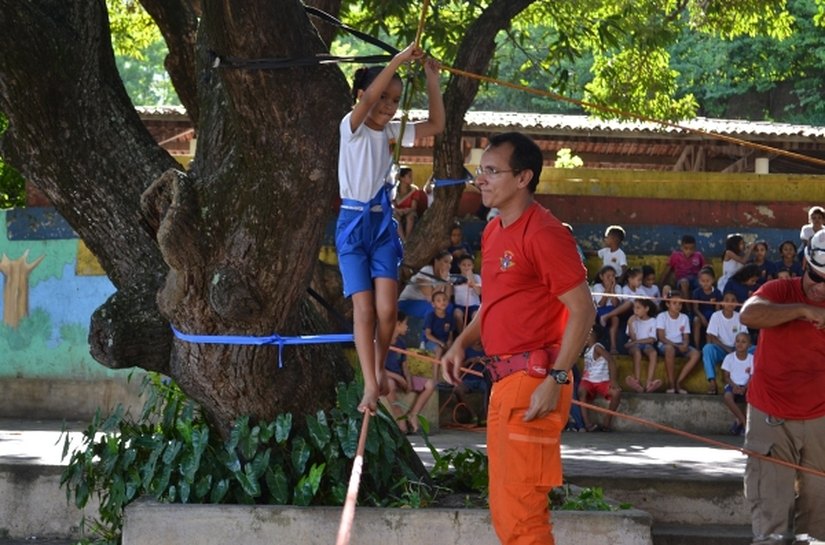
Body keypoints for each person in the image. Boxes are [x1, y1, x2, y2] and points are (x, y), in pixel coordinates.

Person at [441, 132, 595, 545]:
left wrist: (557, 379)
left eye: (492, 171)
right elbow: (498, 305)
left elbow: (583, 309)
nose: (481, 179)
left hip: (535, 382)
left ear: (524, 177)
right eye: (480, 169)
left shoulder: (544, 232)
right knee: (508, 511)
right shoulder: (494, 232)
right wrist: (462, 342)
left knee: (523, 516)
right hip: (504, 382)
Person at [336, 44, 444, 413]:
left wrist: (431, 78)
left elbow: (436, 126)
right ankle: (370, 384)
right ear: (362, 96)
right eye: (383, 97)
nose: (389, 106)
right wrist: (398, 60)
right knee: (363, 311)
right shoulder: (350, 127)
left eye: (395, 100)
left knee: (386, 312)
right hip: (352, 224)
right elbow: (366, 104)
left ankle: (379, 371)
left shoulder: (391, 133)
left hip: (382, 225)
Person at [739, 228, 825, 545]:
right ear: (805, 266)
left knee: (818, 522)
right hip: (770, 413)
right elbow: (750, 313)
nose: (821, 287)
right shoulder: (780, 289)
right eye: (817, 277)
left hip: (820, 417)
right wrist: (802, 310)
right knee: (771, 521)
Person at [383, 311, 436, 435]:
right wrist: (399, 379)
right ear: (397, 324)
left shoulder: (401, 343)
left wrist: (408, 380)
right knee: (390, 384)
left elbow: (404, 365)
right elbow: (379, 369)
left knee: (430, 384)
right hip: (387, 377)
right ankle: (400, 420)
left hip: (400, 376)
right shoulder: (382, 342)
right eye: (405, 324)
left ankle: (413, 414)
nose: (407, 327)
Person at [701, 292, 749, 395]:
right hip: (721, 349)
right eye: (727, 300)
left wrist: (737, 349)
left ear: (737, 304)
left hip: (737, 350)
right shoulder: (716, 316)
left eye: (733, 301)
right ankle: (712, 381)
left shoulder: (740, 316)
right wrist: (727, 349)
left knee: (755, 349)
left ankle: (748, 384)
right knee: (707, 348)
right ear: (722, 303)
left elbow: (745, 336)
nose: (730, 303)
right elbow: (712, 337)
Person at [579, 326, 622, 432]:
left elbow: (611, 360)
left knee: (616, 393)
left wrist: (613, 380)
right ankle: (588, 424)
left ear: (594, 336)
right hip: (588, 381)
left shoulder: (597, 347)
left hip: (601, 381)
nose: (587, 336)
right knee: (581, 391)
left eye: (589, 334)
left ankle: (607, 422)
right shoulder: (586, 350)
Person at [656, 294, 701, 394]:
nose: (678, 306)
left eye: (680, 303)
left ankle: (679, 382)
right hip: (665, 344)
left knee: (696, 354)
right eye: (674, 303)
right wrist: (677, 346)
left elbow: (686, 337)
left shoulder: (684, 317)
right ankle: (671, 384)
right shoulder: (662, 316)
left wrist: (685, 344)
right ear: (667, 304)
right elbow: (662, 338)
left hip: (679, 344)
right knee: (669, 349)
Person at [398, 249, 454, 317]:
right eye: (446, 262)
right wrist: (442, 281)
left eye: (450, 263)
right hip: (409, 301)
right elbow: (430, 298)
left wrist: (447, 282)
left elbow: (447, 298)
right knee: (434, 310)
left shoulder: (446, 274)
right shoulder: (426, 271)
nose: (449, 266)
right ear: (436, 261)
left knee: (449, 308)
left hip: (431, 304)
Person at [624, 299, 662, 393]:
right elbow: (633, 338)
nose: (635, 311)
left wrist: (635, 342)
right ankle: (636, 381)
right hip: (635, 346)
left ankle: (650, 382)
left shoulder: (653, 320)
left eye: (638, 308)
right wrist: (630, 324)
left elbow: (651, 339)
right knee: (637, 353)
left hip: (646, 344)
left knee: (653, 353)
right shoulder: (632, 320)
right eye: (634, 308)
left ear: (646, 309)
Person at [720, 331, 753, 436]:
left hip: (747, 385)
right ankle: (744, 422)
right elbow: (726, 377)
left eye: (743, 342)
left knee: (753, 397)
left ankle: (739, 422)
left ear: (749, 345)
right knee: (727, 396)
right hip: (732, 384)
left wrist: (745, 387)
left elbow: (753, 377)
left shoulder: (752, 359)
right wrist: (734, 386)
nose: (740, 344)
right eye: (738, 341)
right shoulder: (729, 358)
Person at [659, 234, 706, 300]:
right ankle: (688, 308)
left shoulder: (698, 256)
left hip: (695, 279)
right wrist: (660, 284)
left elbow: (705, 269)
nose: (688, 251)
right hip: (681, 280)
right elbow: (667, 270)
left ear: (695, 248)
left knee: (703, 283)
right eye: (686, 248)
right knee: (684, 282)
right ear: (681, 247)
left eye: (691, 249)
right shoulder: (675, 256)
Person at [591, 265, 621, 354]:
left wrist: (612, 290)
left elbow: (615, 304)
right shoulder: (597, 286)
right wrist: (607, 289)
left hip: (613, 310)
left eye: (613, 276)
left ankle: (613, 346)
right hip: (601, 310)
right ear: (601, 277)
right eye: (608, 276)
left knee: (615, 319)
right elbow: (601, 304)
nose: (611, 279)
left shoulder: (618, 287)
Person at [393, 166, 428, 241]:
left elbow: (413, 207)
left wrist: (406, 210)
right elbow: (392, 205)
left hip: (409, 211)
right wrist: (398, 210)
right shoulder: (394, 191)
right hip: (397, 212)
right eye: (409, 176)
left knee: (410, 217)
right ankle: (402, 239)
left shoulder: (414, 190)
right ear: (402, 178)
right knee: (396, 217)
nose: (412, 178)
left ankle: (407, 239)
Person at [691, 266, 722, 349]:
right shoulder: (696, 292)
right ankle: (697, 347)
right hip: (700, 315)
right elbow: (695, 308)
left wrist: (713, 320)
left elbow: (717, 309)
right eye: (703, 281)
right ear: (699, 281)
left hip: (713, 316)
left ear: (712, 280)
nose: (705, 283)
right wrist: (702, 318)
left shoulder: (717, 292)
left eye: (708, 281)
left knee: (714, 322)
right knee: (696, 320)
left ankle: (709, 347)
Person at [452, 253, 481, 332]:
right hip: (459, 305)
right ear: (459, 265)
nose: (466, 267)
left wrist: (471, 278)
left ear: (472, 266)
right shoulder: (455, 278)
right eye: (464, 265)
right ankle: (461, 335)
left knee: (476, 316)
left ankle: (473, 339)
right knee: (457, 314)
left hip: (474, 305)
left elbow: (478, 292)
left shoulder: (476, 277)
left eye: (469, 265)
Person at [422, 291, 454, 360]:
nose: (442, 302)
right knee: (439, 350)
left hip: (444, 343)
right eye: (438, 301)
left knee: (453, 350)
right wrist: (440, 343)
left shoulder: (449, 317)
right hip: (431, 342)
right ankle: (435, 371)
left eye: (444, 300)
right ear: (433, 304)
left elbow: (450, 334)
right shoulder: (430, 316)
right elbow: (428, 335)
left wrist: (449, 342)